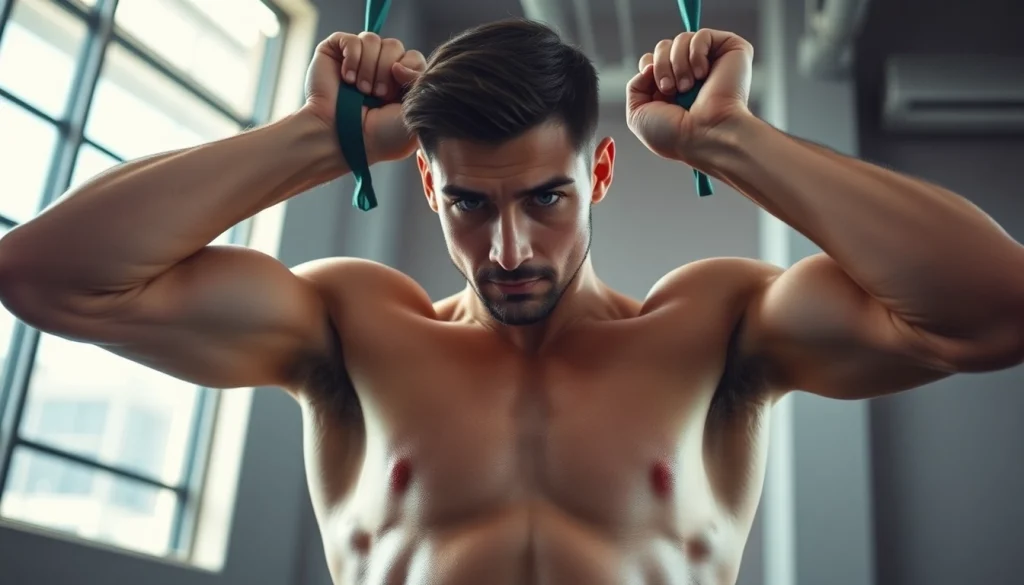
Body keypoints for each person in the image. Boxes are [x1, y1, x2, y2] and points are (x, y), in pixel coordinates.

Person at [0, 17, 1022, 585]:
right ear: (425, 183)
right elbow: (46, 274)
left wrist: (733, 143)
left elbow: (994, 311)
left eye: (545, 198)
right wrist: (319, 137)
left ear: (601, 171)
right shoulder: (352, 326)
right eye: (468, 204)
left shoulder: (715, 329)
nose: (508, 250)